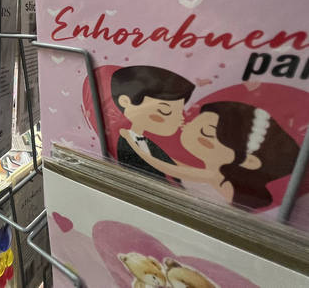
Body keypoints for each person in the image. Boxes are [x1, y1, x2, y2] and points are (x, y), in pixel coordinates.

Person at [121, 101, 300, 210]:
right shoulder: (211, 174)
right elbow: (175, 164)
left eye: (206, 131)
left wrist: (133, 143)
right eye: (194, 123)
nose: (185, 126)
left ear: (249, 161)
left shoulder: (216, 176)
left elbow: (166, 166)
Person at [110, 65, 195, 179]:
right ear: (125, 102)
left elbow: (170, 166)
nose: (180, 119)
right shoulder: (124, 140)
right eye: (165, 111)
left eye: (180, 112)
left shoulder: (149, 142)